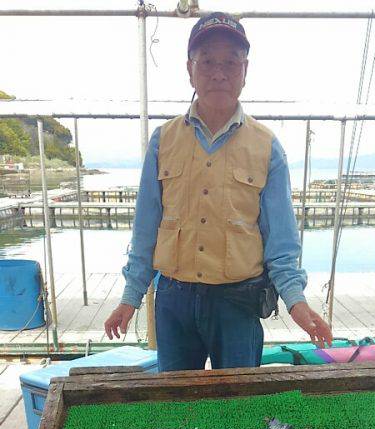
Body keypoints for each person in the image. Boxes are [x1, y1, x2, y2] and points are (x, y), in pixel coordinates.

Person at [105, 12, 332, 370]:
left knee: (238, 402)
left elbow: (281, 240)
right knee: (178, 404)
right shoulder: (162, 141)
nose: (219, 73)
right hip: (173, 300)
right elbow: (146, 228)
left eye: (230, 62)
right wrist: (130, 297)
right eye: (207, 61)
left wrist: (297, 303)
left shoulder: (267, 147)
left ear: (245, 71)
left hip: (238, 302)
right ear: (189, 69)